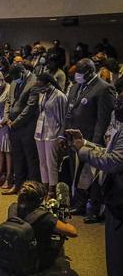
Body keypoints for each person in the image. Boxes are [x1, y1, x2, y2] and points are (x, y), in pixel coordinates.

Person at [66, 92, 123, 276]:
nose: (117, 108)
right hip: (114, 198)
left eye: (121, 104)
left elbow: (113, 161)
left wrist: (83, 151)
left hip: (119, 201)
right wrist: (85, 143)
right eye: (117, 103)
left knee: (117, 260)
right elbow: (107, 152)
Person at [59, 58, 115, 223]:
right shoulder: (75, 87)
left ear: (90, 71)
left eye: (80, 72)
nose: (77, 75)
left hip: (90, 140)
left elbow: (103, 119)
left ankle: (94, 209)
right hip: (72, 139)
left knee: (92, 177)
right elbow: (68, 113)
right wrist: (63, 135)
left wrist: (95, 143)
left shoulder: (104, 88)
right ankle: (80, 204)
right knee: (76, 174)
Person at [7, 181, 78, 272]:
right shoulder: (45, 217)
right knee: (58, 236)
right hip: (35, 262)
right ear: (40, 200)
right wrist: (59, 220)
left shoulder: (13, 208)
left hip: (14, 257)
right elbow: (73, 232)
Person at [3, 63, 40, 195]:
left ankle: (31, 190)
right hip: (12, 125)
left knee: (30, 158)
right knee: (17, 156)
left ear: (23, 72)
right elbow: (8, 101)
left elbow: (30, 107)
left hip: (27, 126)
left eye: (16, 77)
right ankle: (18, 185)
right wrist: (7, 118)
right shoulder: (14, 80)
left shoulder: (35, 82)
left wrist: (15, 122)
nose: (14, 79)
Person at [34, 73, 67, 199]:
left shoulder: (60, 96)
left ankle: (52, 191)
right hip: (40, 131)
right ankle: (45, 188)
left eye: (41, 85)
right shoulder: (42, 94)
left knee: (51, 163)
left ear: (49, 83)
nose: (40, 88)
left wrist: (61, 135)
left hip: (53, 132)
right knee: (42, 162)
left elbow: (64, 118)